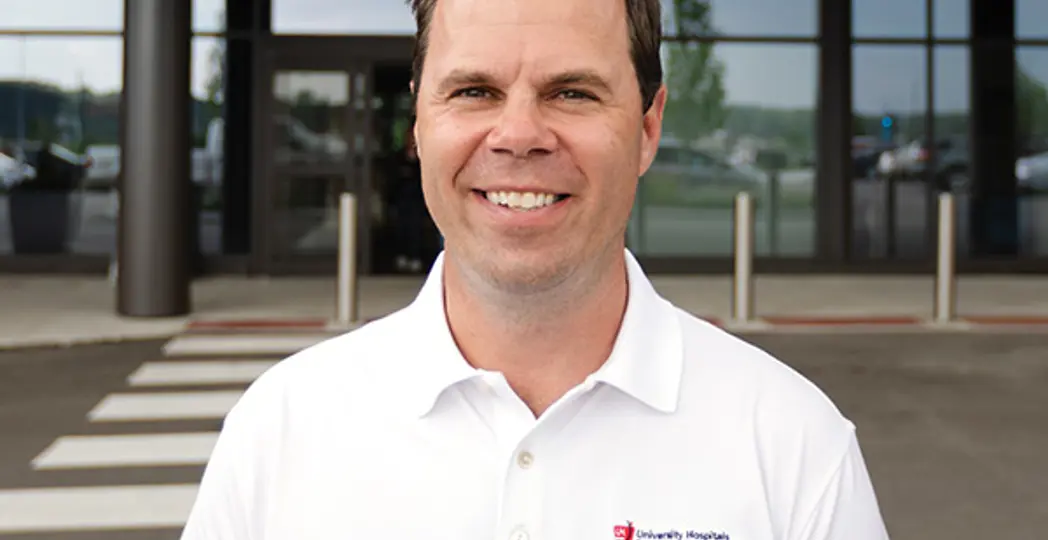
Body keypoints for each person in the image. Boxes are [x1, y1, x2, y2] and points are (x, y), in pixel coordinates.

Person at [181, 0, 890, 537]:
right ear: (420, 122)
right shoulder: (281, 430)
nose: (519, 135)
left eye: (572, 92)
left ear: (648, 128)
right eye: (474, 91)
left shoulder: (793, 445)